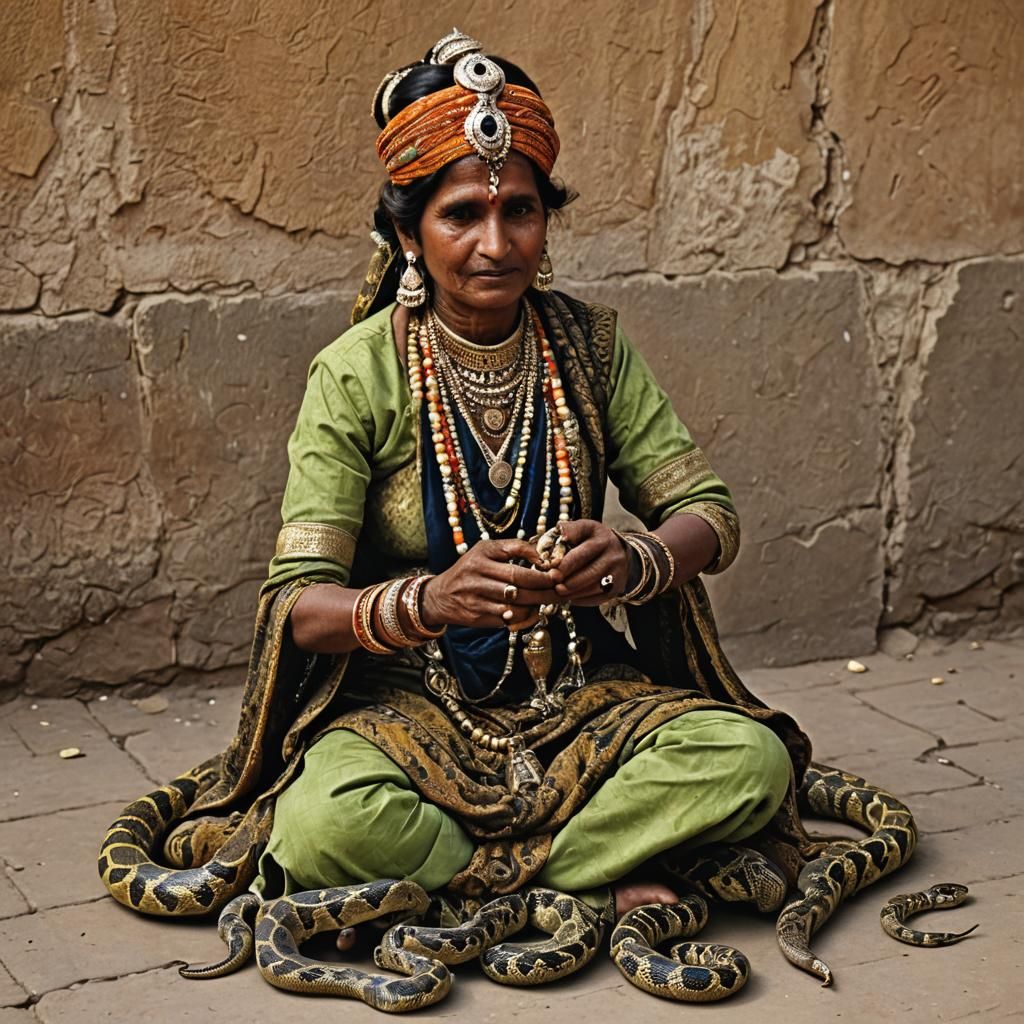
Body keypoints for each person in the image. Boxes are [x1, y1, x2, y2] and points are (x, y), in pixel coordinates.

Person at [242, 28, 813, 942]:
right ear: (406, 233)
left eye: (521, 211)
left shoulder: (589, 347)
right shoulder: (354, 374)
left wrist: (633, 561)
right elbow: (298, 607)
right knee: (322, 823)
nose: (495, 243)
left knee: (748, 760)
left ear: (548, 222)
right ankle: (609, 861)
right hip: (409, 704)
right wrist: (430, 600)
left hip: (576, 688)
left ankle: (481, 886)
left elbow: (710, 515)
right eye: (461, 214)